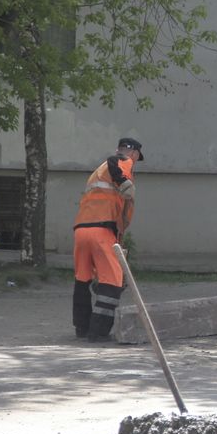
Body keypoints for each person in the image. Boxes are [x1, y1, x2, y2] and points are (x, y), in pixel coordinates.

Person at [72, 137, 143, 342]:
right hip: (102, 231)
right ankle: (99, 332)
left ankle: (82, 328)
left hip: (81, 230)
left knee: (82, 280)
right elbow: (116, 161)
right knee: (112, 282)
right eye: (137, 158)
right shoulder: (122, 162)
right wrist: (124, 180)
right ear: (135, 154)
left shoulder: (98, 171)